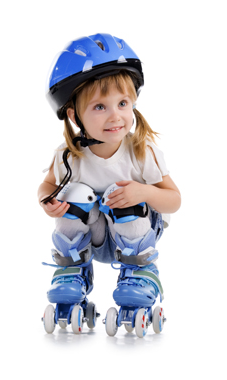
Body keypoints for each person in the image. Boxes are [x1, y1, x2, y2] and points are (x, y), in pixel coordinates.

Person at [38, 33, 181, 334]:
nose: (115, 115)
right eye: (100, 107)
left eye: (123, 103)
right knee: (71, 192)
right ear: (74, 115)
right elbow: (47, 186)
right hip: (89, 239)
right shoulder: (69, 156)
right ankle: (71, 271)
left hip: (134, 238)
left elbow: (174, 200)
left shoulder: (143, 151)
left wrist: (143, 191)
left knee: (122, 191)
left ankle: (140, 274)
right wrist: (47, 201)